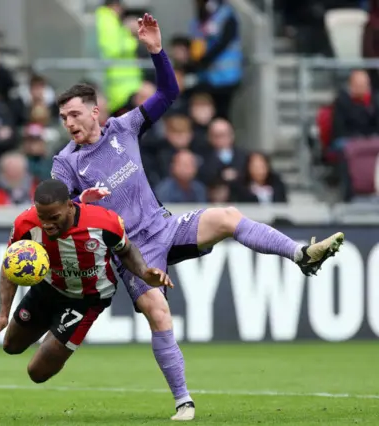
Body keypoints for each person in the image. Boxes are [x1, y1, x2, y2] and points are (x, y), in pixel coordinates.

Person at [50, 13, 344, 422]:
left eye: (75, 115)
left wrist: (156, 51)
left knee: (227, 216)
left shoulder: (125, 127)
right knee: (158, 312)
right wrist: (84, 202)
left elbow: (169, 92)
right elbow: (57, 213)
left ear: (95, 112)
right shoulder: (65, 164)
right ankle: (183, 401)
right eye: (64, 118)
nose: (69, 124)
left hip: (165, 227)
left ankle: (301, 255)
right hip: (131, 251)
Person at [0, 179, 171, 384]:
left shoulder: (105, 222)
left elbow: (126, 250)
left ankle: (62, 346)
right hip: (48, 288)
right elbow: (10, 265)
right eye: (42, 218)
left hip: (87, 298)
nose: (48, 225)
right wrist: (3, 314)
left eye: (54, 217)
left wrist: (143, 271)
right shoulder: (25, 224)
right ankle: (60, 341)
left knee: (37, 373)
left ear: (70, 206)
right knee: (11, 346)